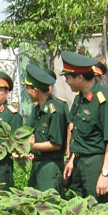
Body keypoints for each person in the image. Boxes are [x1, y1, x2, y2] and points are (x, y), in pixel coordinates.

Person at [62, 51, 108, 203]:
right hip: (79, 162)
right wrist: (73, 159)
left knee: (97, 214)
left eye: (68, 78)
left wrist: (105, 174)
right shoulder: (81, 98)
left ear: (80, 77)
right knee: (78, 210)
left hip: (95, 163)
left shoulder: (103, 100)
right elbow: (79, 134)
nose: (67, 82)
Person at [24, 64, 69, 194]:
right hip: (37, 163)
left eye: (28, 88)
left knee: (49, 207)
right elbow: (30, 130)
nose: (26, 91)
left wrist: (31, 146)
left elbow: (56, 144)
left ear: (36, 90)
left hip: (50, 167)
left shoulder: (55, 110)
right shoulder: (38, 108)